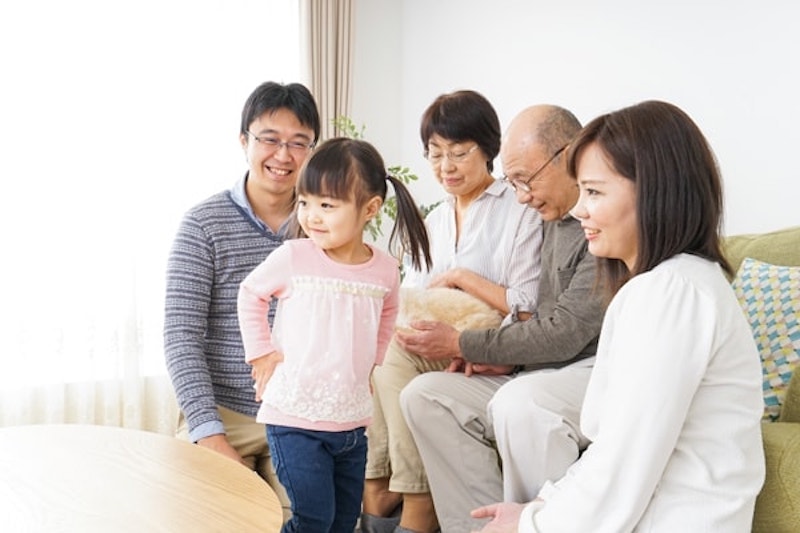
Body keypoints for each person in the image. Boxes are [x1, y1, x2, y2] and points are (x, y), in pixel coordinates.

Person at [473, 100, 766, 532]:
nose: (579, 210)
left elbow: (624, 468)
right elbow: (614, 451)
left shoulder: (671, 292)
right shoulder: (669, 285)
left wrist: (531, 523)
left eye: (593, 192)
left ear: (653, 191)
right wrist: (542, 506)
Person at [397, 105, 607, 532]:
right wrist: (508, 359)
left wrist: (461, 343)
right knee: (425, 396)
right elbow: (535, 318)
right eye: (515, 184)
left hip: (588, 366)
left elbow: (564, 331)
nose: (522, 196)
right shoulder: (548, 217)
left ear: (568, 155)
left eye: (525, 181)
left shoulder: (599, 222)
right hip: (541, 365)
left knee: (520, 403)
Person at [362, 90, 543, 533]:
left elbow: (527, 303)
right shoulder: (434, 220)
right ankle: (382, 487)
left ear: (489, 151)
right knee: (378, 351)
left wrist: (464, 278)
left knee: (394, 360)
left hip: (493, 347)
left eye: (460, 153)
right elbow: (412, 295)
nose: (446, 167)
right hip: (434, 344)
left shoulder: (519, 210)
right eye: (435, 154)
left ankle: (409, 501)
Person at [237, 137, 432, 533]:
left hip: (351, 422)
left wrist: (372, 363)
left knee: (344, 521)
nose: (311, 216)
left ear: (370, 209)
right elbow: (250, 293)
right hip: (294, 419)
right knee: (313, 520)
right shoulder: (295, 257)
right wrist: (261, 352)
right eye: (305, 202)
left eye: (327, 205)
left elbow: (388, 312)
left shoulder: (384, 269)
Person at [163, 81, 320, 521]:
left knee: (303, 518)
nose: (283, 156)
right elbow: (180, 337)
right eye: (270, 139)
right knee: (214, 515)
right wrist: (209, 432)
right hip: (223, 411)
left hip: (301, 415)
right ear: (244, 141)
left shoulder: (325, 228)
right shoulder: (202, 224)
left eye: (298, 143)